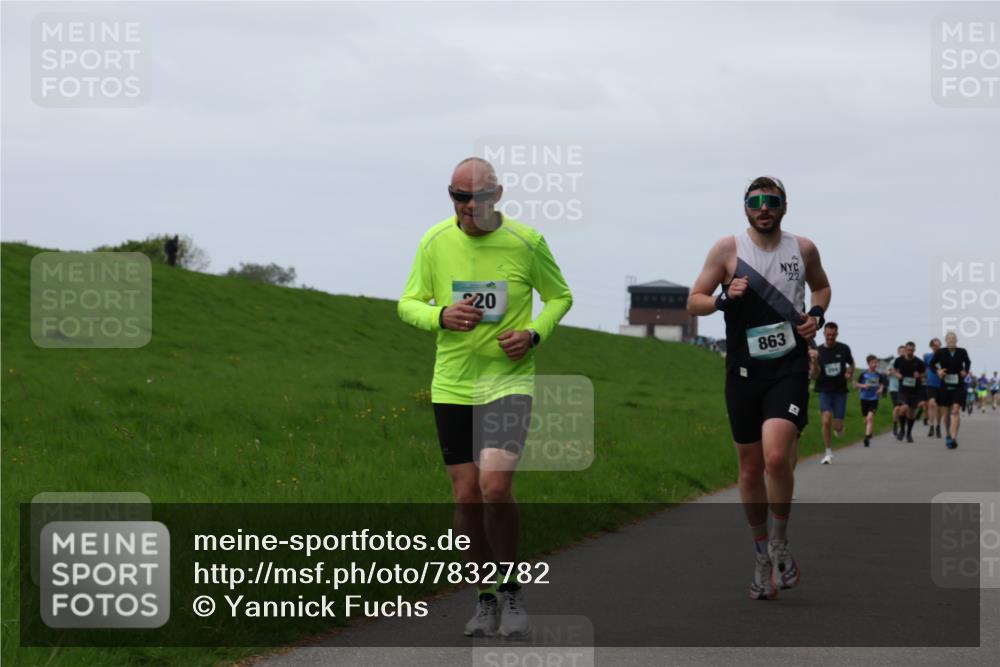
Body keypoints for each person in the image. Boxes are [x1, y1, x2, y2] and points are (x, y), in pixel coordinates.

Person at [398, 157, 573, 636]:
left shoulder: (526, 241)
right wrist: (439, 316)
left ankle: (512, 589)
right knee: (466, 496)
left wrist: (533, 334)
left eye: (478, 197)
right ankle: (485, 596)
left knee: (495, 488)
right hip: (453, 383)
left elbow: (560, 296)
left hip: (507, 381)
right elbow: (408, 301)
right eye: (459, 197)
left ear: (498, 195)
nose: (468, 207)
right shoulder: (434, 241)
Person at [688, 175, 830, 600]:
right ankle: (761, 553)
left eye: (772, 201)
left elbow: (821, 286)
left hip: (787, 368)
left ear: (784, 207)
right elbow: (694, 298)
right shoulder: (727, 250)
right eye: (756, 201)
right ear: (745, 207)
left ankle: (781, 542)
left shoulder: (802, 248)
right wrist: (722, 298)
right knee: (750, 469)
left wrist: (816, 316)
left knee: (774, 456)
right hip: (743, 372)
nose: (764, 207)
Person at [813, 322, 854, 464]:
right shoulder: (818, 351)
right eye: (828, 335)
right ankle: (828, 453)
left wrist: (849, 372)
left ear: (837, 334)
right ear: (824, 334)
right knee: (826, 419)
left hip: (840, 391)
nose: (830, 337)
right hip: (824, 390)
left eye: (833, 335)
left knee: (837, 426)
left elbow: (851, 364)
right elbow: (814, 374)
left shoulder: (844, 349)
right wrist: (813, 365)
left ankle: (840, 428)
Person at [929, 331, 972, 449]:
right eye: (949, 338)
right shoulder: (940, 352)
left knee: (956, 410)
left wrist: (965, 371)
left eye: (953, 338)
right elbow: (931, 364)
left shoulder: (962, 351)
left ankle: (954, 438)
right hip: (945, 386)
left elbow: (968, 362)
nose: (951, 340)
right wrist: (938, 371)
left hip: (958, 385)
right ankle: (948, 434)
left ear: (956, 340)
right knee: (946, 413)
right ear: (946, 341)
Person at [893, 342, 925, 443]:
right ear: (905, 349)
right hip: (903, 389)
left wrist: (919, 376)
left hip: (915, 390)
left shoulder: (918, 362)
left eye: (912, 350)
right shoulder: (899, 360)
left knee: (911, 413)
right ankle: (902, 429)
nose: (910, 351)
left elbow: (924, 374)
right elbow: (894, 370)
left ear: (914, 350)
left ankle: (909, 433)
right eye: (908, 350)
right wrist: (897, 374)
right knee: (903, 409)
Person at [854, 355, 883, 447]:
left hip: (874, 399)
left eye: (876, 362)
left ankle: (866, 438)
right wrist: (863, 386)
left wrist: (880, 390)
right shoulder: (863, 374)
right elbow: (856, 384)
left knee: (870, 418)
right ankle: (869, 432)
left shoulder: (878, 375)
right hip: (864, 398)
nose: (875, 364)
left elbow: (882, 385)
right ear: (868, 363)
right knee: (866, 420)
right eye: (872, 363)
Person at [923, 338, 943, 438]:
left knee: (939, 407)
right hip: (931, 384)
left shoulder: (944, 357)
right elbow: (924, 369)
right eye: (935, 345)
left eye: (939, 345)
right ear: (931, 346)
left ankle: (938, 426)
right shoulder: (927, 357)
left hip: (942, 384)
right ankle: (931, 426)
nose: (937, 347)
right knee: (931, 404)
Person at [888, 345, 904, 437]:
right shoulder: (893, 361)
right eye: (900, 351)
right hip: (894, 388)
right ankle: (894, 425)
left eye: (903, 351)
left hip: (905, 388)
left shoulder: (907, 361)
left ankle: (902, 427)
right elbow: (889, 371)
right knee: (897, 407)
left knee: (903, 409)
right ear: (898, 352)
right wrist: (895, 373)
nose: (902, 352)